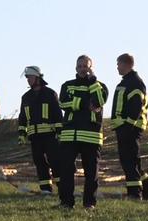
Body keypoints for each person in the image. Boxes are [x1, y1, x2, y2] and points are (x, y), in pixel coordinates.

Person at [57, 55, 108, 209]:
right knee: (65, 170)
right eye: (79, 66)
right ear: (75, 68)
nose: (82, 69)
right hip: (70, 134)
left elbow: (99, 100)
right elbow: (63, 102)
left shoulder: (100, 86)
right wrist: (85, 103)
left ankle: (89, 203)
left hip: (91, 135)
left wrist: (93, 80)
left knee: (91, 172)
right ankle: (66, 202)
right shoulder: (67, 85)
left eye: (85, 66)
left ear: (91, 68)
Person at [111, 53, 148, 200]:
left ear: (126, 64)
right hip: (126, 127)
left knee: (129, 161)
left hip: (130, 128)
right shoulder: (128, 82)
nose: (117, 67)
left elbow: (136, 107)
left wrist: (128, 125)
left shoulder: (134, 83)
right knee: (132, 161)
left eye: (119, 64)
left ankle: (134, 193)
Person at [17, 66, 62, 194]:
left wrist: (60, 132)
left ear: (38, 77)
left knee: (55, 161)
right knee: (39, 162)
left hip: (50, 135)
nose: (28, 80)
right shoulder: (26, 97)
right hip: (34, 137)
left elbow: (58, 115)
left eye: (30, 77)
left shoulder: (50, 94)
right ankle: (46, 189)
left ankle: (62, 186)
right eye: (27, 78)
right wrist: (21, 134)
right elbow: (22, 117)